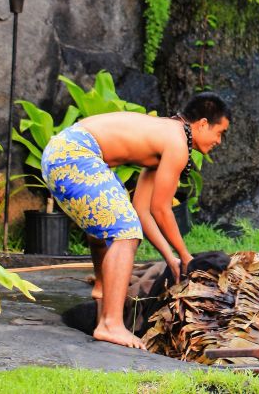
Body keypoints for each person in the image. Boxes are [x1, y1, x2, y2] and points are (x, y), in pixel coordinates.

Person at [41, 92, 231, 349]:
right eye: (220, 133)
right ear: (203, 124)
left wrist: (171, 258)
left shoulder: (166, 136)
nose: (220, 141)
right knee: (125, 233)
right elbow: (162, 209)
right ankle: (111, 324)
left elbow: (143, 210)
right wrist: (187, 258)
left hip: (61, 152)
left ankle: (101, 288)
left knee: (115, 221)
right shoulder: (177, 143)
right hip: (74, 153)